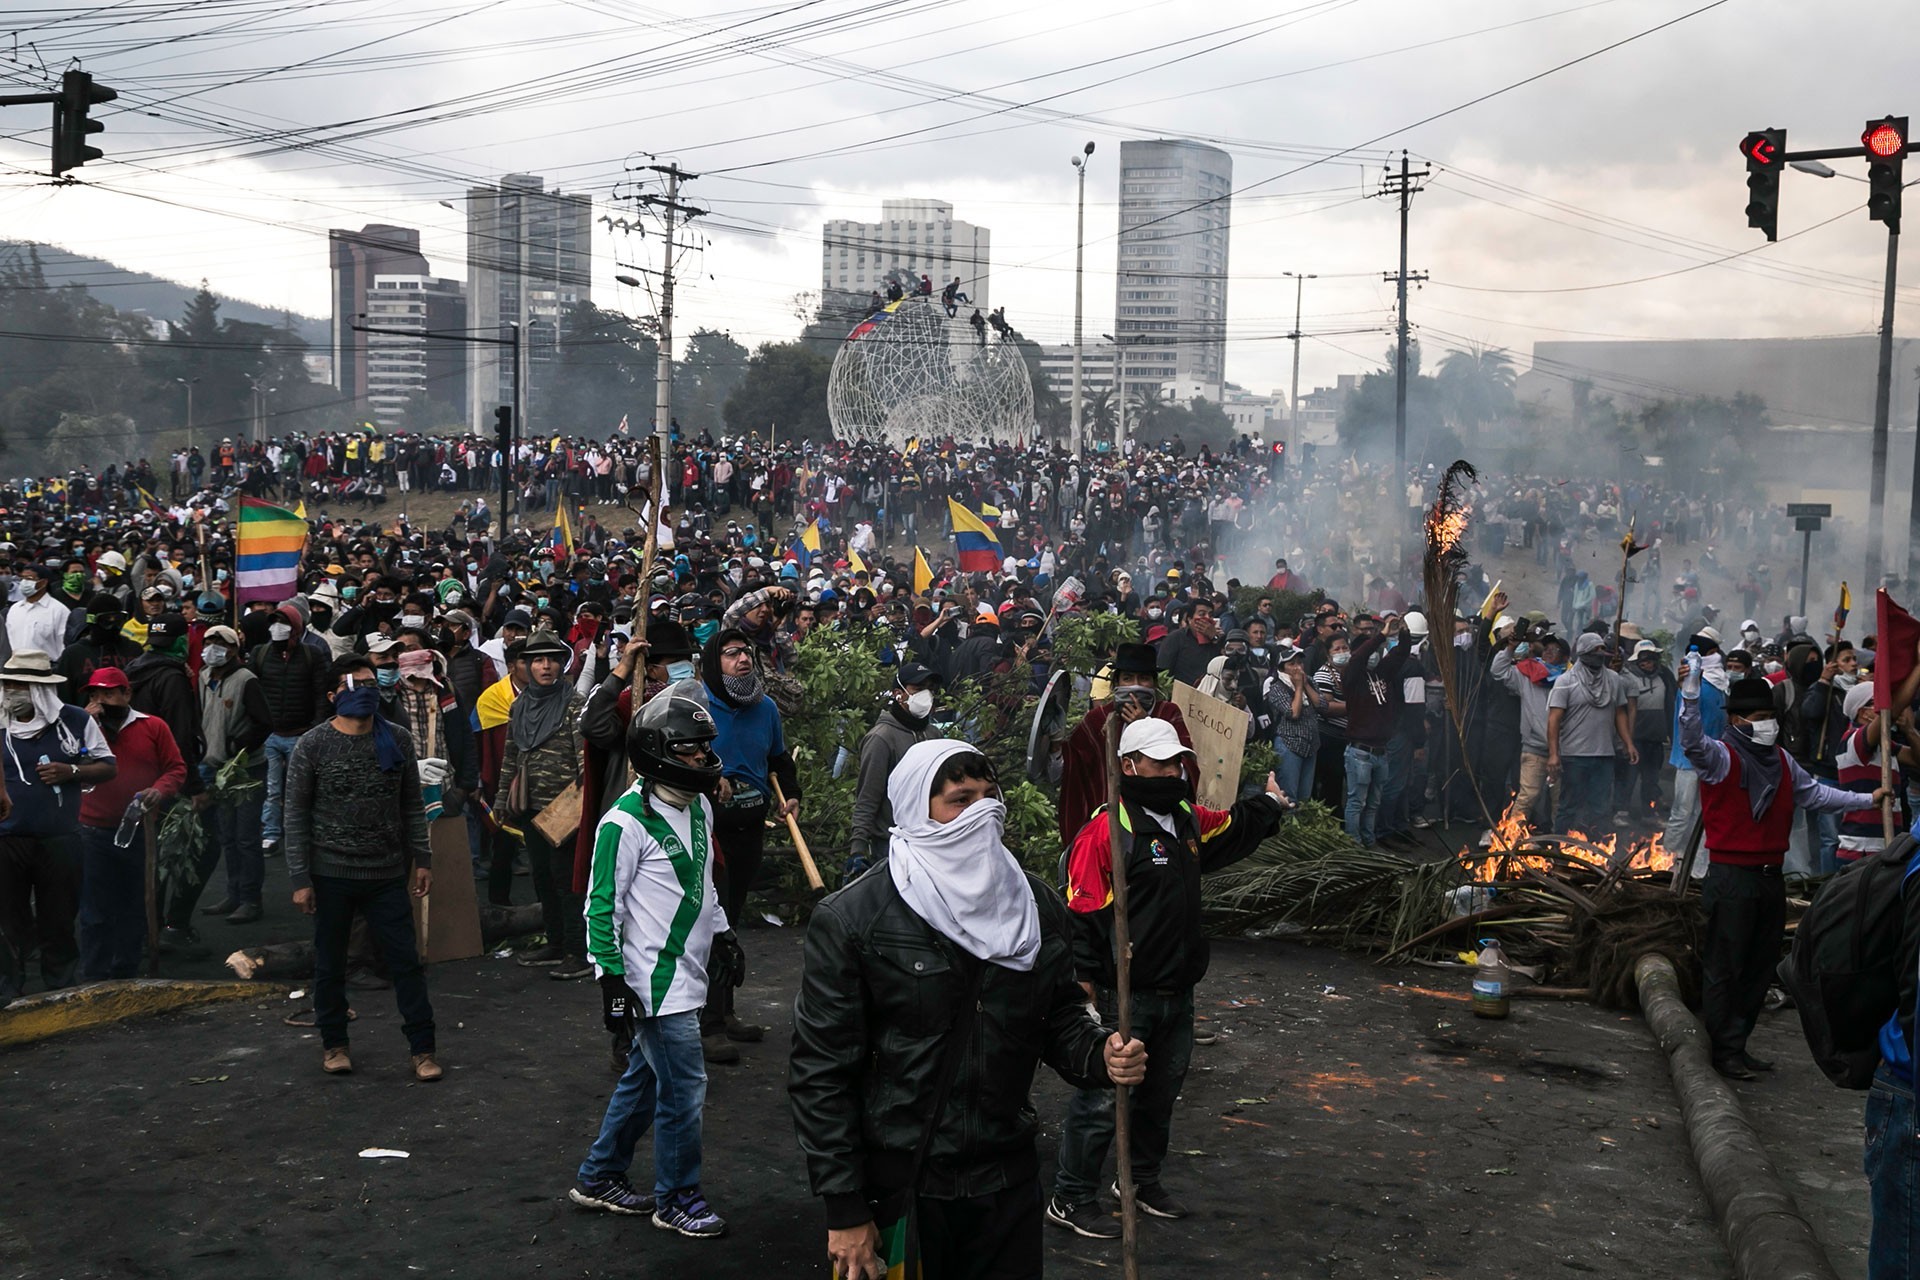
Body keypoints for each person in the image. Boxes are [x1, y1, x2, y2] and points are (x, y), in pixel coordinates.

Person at [789, 740, 1147, 1280]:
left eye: (989, 796)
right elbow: (821, 1072)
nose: (982, 812)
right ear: (915, 807)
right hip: (904, 1187)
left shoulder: (1034, 906)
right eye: (960, 799)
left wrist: (1101, 1054)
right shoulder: (854, 919)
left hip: (1004, 1183)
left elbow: (1060, 1016)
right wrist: (844, 1207)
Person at [1049, 718, 1291, 1238]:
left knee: (1160, 1095)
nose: (1171, 770)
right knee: (1103, 1099)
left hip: (1177, 990)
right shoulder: (1107, 832)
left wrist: (1269, 806)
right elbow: (1083, 913)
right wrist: (1086, 984)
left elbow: (1228, 829)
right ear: (1128, 765)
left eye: (1176, 760)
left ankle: (1137, 1181)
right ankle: (1070, 1196)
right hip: (1125, 994)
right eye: (1159, 762)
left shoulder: (1183, 817)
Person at [569, 679, 736, 1238]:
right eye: (689, 749)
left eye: (704, 747)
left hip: (687, 973)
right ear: (659, 754)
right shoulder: (622, 823)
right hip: (652, 984)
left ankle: (599, 1176)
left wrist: (725, 934)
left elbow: (703, 885)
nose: (702, 758)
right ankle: (678, 1196)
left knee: (644, 1081)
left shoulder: (700, 808)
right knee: (684, 1089)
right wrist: (610, 980)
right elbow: (600, 907)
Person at [1679, 668, 1879, 1080]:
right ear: (1737, 721)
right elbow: (1692, 742)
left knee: (1759, 966)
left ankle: (1740, 1042)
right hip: (1732, 877)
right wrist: (1692, 698)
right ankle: (1723, 1049)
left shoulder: (1783, 761)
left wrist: (1868, 798)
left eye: (1769, 714)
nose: (1767, 723)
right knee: (1726, 966)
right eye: (1758, 716)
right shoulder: (1721, 757)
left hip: (1770, 878)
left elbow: (1817, 795)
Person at [285, 653, 439, 1081]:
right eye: (356, 685)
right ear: (334, 695)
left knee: (406, 963)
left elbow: (411, 804)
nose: (367, 692)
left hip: (387, 872)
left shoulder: (397, 739)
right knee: (330, 964)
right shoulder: (312, 745)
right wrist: (300, 878)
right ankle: (334, 1044)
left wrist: (422, 858)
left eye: (372, 684)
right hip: (331, 873)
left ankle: (422, 1050)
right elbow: (295, 814)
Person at [698, 627, 801, 1062]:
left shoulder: (767, 709)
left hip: (750, 829)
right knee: (708, 923)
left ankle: (726, 1010)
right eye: (731, 653)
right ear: (712, 663)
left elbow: (778, 760)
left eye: (747, 653)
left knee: (732, 918)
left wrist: (792, 792)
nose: (743, 659)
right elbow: (678, 758)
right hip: (707, 833)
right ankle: (707, 1024)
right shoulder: (697, 705)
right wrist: (709, 777)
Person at [0, 650, 113, 1003]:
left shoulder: (75, 721)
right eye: (9, 685)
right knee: (7, 918)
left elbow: (108, 766)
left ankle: (61, 985)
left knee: (59, 916)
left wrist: (73, 771)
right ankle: (8, 989)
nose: (12, 693)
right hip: (6, 838)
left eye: (20, 686)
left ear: (39, 689)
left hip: (60, 837)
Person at [75, 666, 186, 978]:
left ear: (126, 694)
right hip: (92, 829)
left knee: (134, 904)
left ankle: (126, 971)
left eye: (108, 694)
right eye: (95, 694)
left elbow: (176, 768)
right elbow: (69, 765)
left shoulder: (153, 727)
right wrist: (86, 726)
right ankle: (93, 975)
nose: (101, 701)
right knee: (95, 909)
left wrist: (158, 790)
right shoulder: (80, 726)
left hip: (139, 829)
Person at [493, 630, 590, 979]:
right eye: (537, 660)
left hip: (566, 809)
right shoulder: (520, 706)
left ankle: (579, 952)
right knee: (542, 876)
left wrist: (581, 807)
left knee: (567, 879)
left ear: (562, 664)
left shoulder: (574, 704)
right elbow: (511, 754)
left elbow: (585, 763)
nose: (545, 666)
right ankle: (556, 941)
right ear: (527, 666)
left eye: (551, 659)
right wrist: (502, 798)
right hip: (531, 806)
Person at [1056, 643, 1196, 847]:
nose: (1135, 686)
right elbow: (1070, 769)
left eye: (1144, 679)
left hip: (1160, 823)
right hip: (1108, 826)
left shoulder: (1168, 714)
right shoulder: (1098, 720)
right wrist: (1052, 743)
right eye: (1128, 678)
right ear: (1116, 683)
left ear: (1154, 684)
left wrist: (1145, 727)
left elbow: (1186, 773)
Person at [193, 626, 271, 925]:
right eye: (209, 642)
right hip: (216, 765)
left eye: (220, 643)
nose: (213, 648)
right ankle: (234, 893)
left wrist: (239, 745)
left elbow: (264, 722)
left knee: (247, 837)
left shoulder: (245, 680)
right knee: (227, 835)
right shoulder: (202, 676)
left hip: (245, 768)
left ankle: (251, 899)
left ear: (234, 649)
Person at [846, 661, 942, 882]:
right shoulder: (881, 738)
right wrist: (858, 849)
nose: (926, 696)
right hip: (891, 847)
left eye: (930, 690)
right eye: (918, 690)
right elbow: (867, 798)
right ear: (898, 694)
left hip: (928, 841)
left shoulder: (933, 734)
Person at [252, 601, 329, 857]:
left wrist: (315, 730)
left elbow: (320, 694)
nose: (277, 628)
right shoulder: (261, 654)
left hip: (301, 734)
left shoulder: (312, 655)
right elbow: (252, 692)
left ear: (295, 627)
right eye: (274, 623)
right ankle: (270, 833)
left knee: (302, 789)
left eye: (283, 623)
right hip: (271, 735)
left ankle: (302, 835)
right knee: (272, 789)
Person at [1546, 632, 1636, 835]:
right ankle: (1559, 849)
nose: (1600, 653)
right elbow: (1554, 719)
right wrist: (1553, 754)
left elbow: (1620, 713)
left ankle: (1597, 853)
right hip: (1574, 755)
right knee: (1569, 806)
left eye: (1602, 649)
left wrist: (1628, 743)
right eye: (1596, 650)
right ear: (1584, 653)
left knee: (1601, 808)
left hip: (1604, 755)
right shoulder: (1565, 681)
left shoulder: (1613, 679)